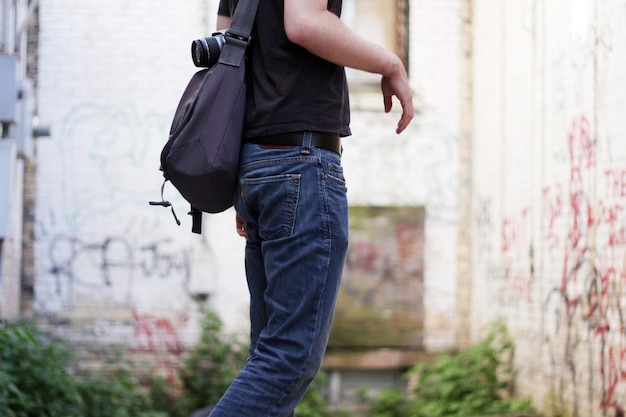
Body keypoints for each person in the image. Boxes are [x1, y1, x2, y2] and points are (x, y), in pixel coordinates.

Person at [208, 0, 414, 416]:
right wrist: (390, 62)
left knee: (268, 357)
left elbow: (228, 47)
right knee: (288, 359)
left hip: (258, 165)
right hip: (299, 162)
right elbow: (304, 23)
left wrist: (246, 179)